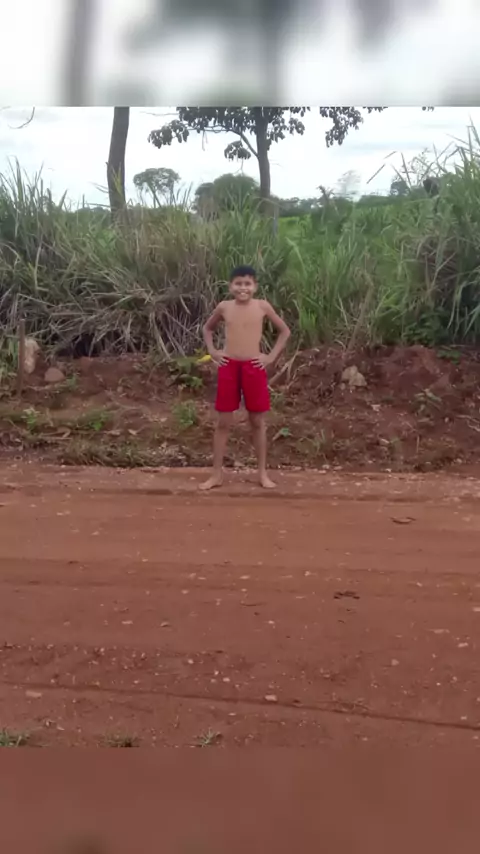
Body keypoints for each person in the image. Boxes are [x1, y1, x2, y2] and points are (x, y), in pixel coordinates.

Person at [200, 265, 291, 491]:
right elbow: (207, 329)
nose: (243, 288)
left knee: (257, 421)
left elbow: (285, 331)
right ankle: (216, 474)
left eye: (247, 284)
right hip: (229, 366)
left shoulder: (262, 306)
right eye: (238, 283)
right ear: (230, 286)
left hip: (253, 367)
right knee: (223, 422)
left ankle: (262, 473)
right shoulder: (224, 307)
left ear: (255, 286)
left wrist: (270, 357)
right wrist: (212, 351)